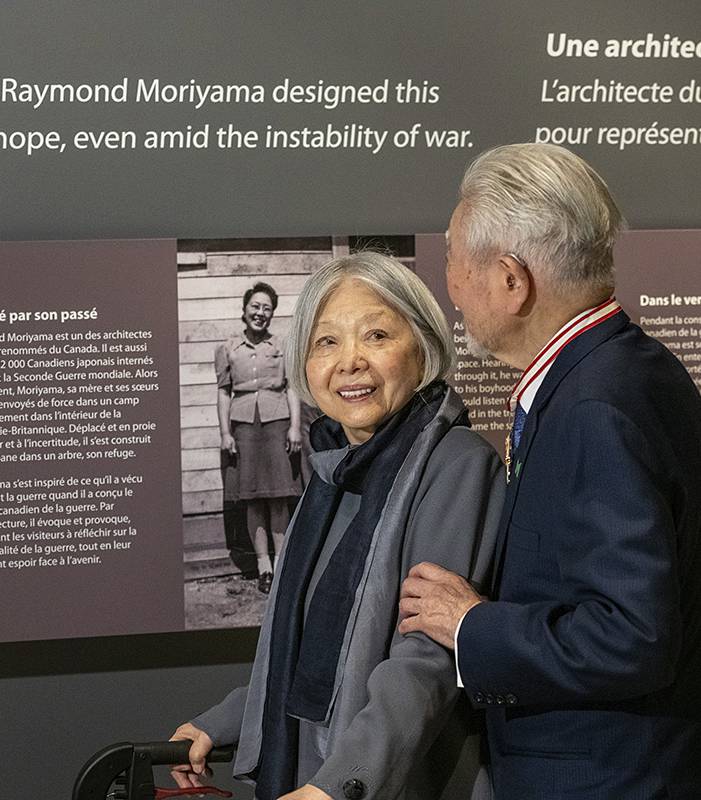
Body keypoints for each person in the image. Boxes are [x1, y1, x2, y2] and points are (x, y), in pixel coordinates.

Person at [398, 143, 701, 798]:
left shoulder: (597, 405)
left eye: (454, 259)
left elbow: (632, 636)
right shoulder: (621, 368)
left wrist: (471, 624)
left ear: (512, 281)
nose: (449, 285)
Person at [175, 252, 506, 800]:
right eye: (326, 342)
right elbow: (312, 644)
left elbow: (428, 661)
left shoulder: (458, 465)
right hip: (318, 767)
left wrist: (339, 785)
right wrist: (229, 718)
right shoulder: (334, 468)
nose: (349, 362)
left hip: (392, 778)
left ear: (423, 346)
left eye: (376, 335)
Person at [215, 282, 303, 593]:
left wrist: (294, 427)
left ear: (272, 314)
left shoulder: (282, 345)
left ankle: (280, 565)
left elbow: (292, 387)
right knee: (251, 497)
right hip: (243, 427)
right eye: (255, 306)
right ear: (245, 309)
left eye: (267, 308)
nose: (260, 313)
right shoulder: (228, 348)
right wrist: (225, 432)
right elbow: (224, 392)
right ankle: (263, 566)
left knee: (279, 496)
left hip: (277, 422)